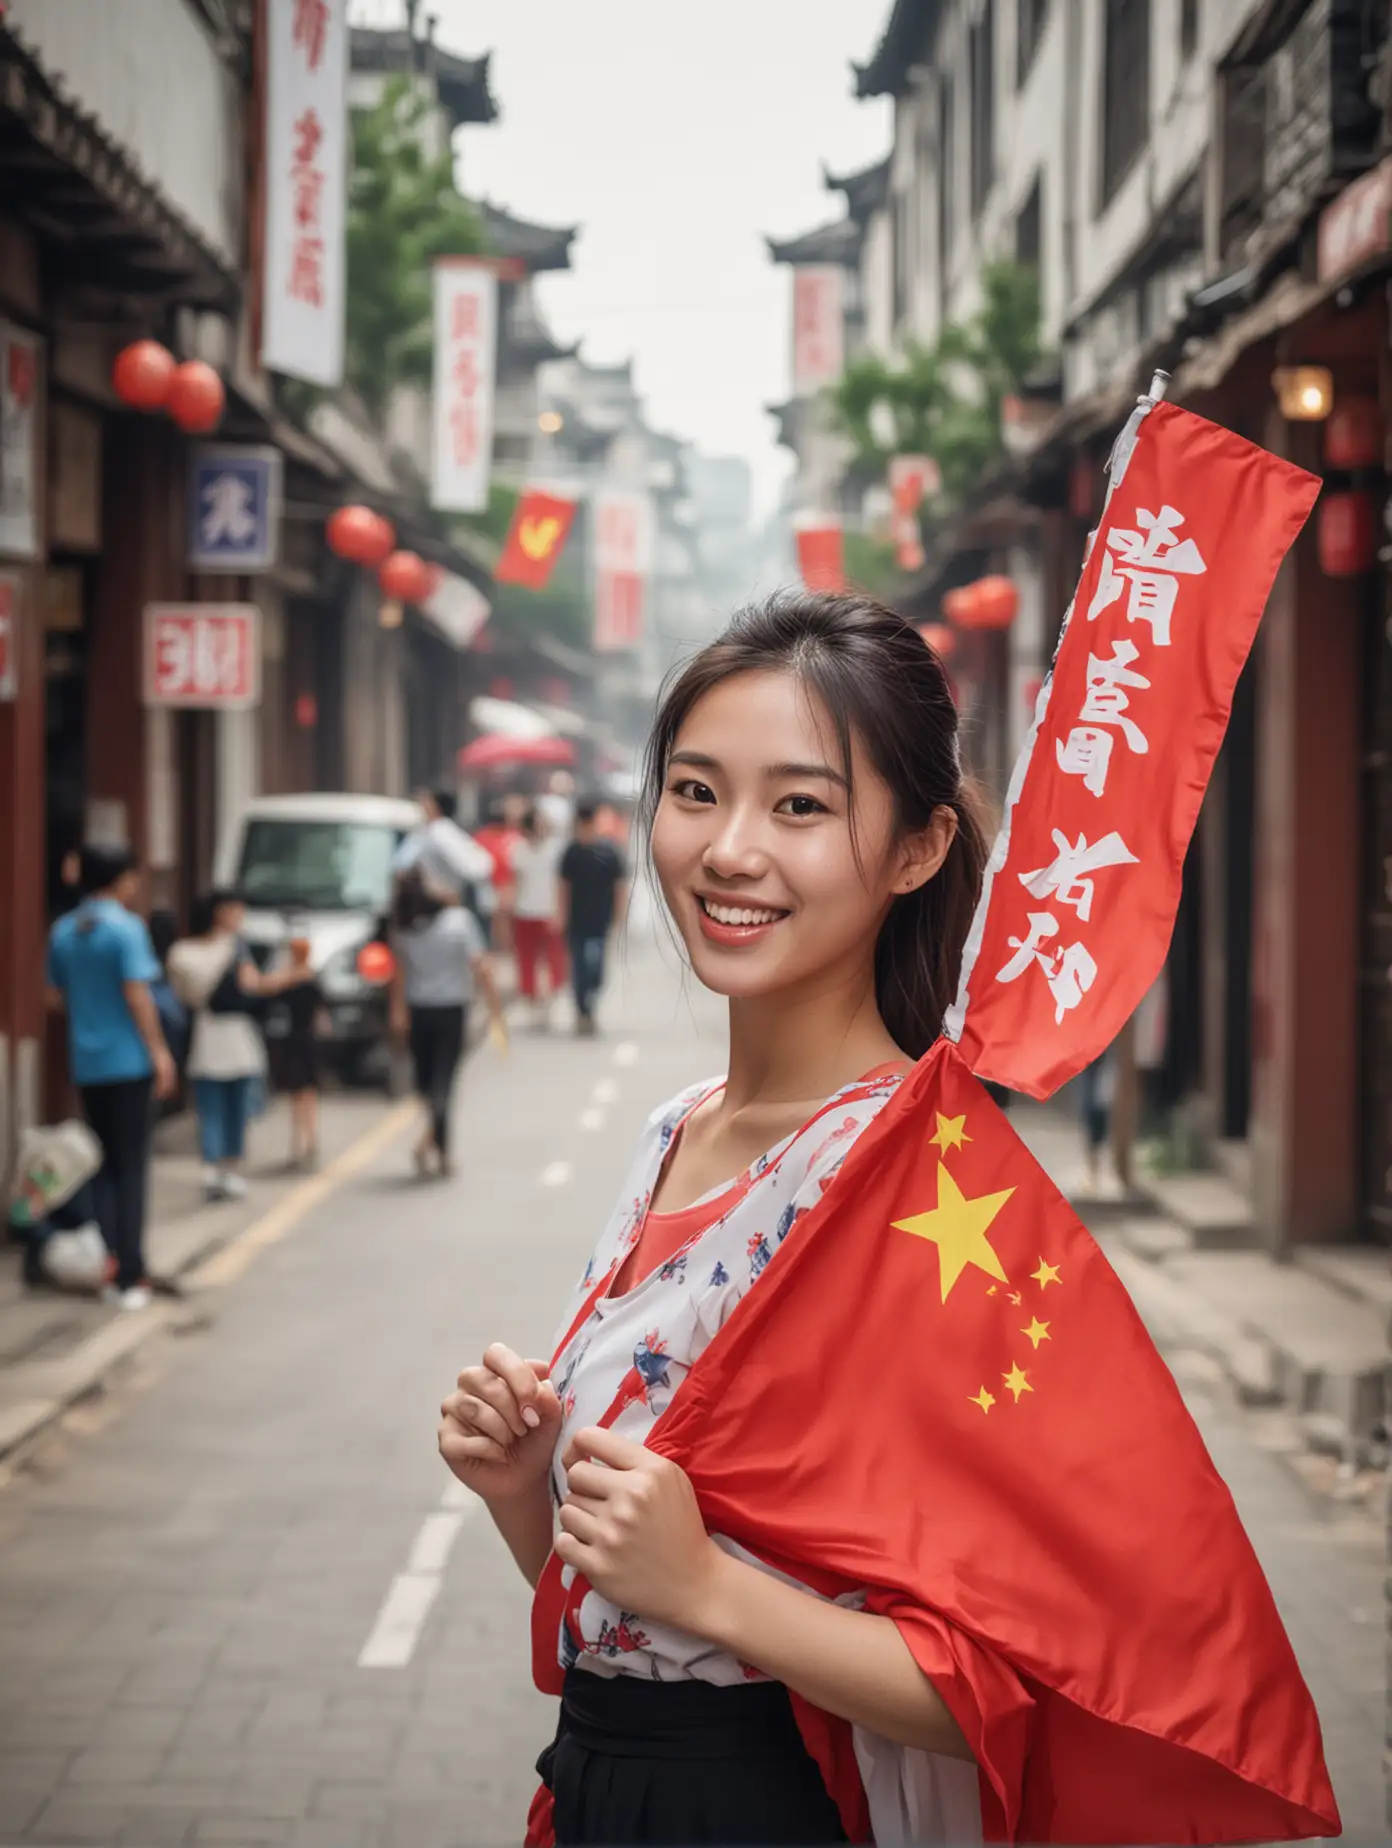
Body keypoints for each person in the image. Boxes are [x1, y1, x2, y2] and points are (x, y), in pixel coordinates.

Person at [439, 594, 987, 1843]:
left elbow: (1005, 1687)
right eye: (695, 791)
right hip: (604, 1787)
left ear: (917, 848)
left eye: (801, 805)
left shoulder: (915, 1179)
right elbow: (636, 1623)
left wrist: (707, 1585)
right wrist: (528, 1491)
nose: (729, 849)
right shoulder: (673, 1131)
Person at [45, 844, 177, 1312]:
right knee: (131, 1167)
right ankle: (131, 1275)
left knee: (102, 1167)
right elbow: (138, 995)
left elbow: (54, 996)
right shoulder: (126, 929)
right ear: (119, 879)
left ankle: (109, 1266)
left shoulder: (63, 931)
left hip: (88, 1061)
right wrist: (160, 1052)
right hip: (129, 1063)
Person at [168, 891, 305, 1202]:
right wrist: (292, 975)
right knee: (234, 1110)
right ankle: (228, 1169)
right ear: (220, 912)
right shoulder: (233, 948)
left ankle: (213, 1169)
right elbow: (253, 985)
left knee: (211, 1109)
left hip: (206, 1034)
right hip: (233, 1035)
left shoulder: (181, 952)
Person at [389, 868, 505, 1178]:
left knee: (427, 1083)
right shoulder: (459, 922)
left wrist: (397, 1011)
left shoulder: (404, 927)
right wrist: (495, 1009)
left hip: (418, 1012)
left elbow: (400, 972)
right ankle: (437, 1147)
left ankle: (433, 1145)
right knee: (443, 1082)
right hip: (451, 1011)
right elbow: (481, 967)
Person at [558, 799, 628, 1034]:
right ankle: (583, 1011)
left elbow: (619, 885)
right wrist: (561, 915)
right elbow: (563, 886)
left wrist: (619, 915)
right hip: (576, 920)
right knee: (579, 967)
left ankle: (590, 1002)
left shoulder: (608, 852)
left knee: (595, 967)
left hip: (600, 919)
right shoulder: (572, 852)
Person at [394, 786, 496, 926]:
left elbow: (476, 867)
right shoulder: (427, 831)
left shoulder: (442, 832)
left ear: (435, 806)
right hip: (426, 904)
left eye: (426, 801)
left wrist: (445, 890)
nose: (422, 805)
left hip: (443, 907)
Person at [509, 805, 567, 1025]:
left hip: (549, 911)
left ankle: (550, 999)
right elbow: (516, 882)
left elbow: (561, 884)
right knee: (526, 959)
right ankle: (530, 999)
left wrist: (560, 912)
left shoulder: (556, 849)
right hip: (524, 911)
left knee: (553, 959)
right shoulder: (518, 849)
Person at [277, 936, 325, 1171]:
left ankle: (299, 1144)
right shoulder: (313, 979)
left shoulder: (288, 979)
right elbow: (322, 1017)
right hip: (309, 1040)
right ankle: (309, 1141)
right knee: (309, 1094)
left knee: (297, 1095)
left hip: (294, 1039)